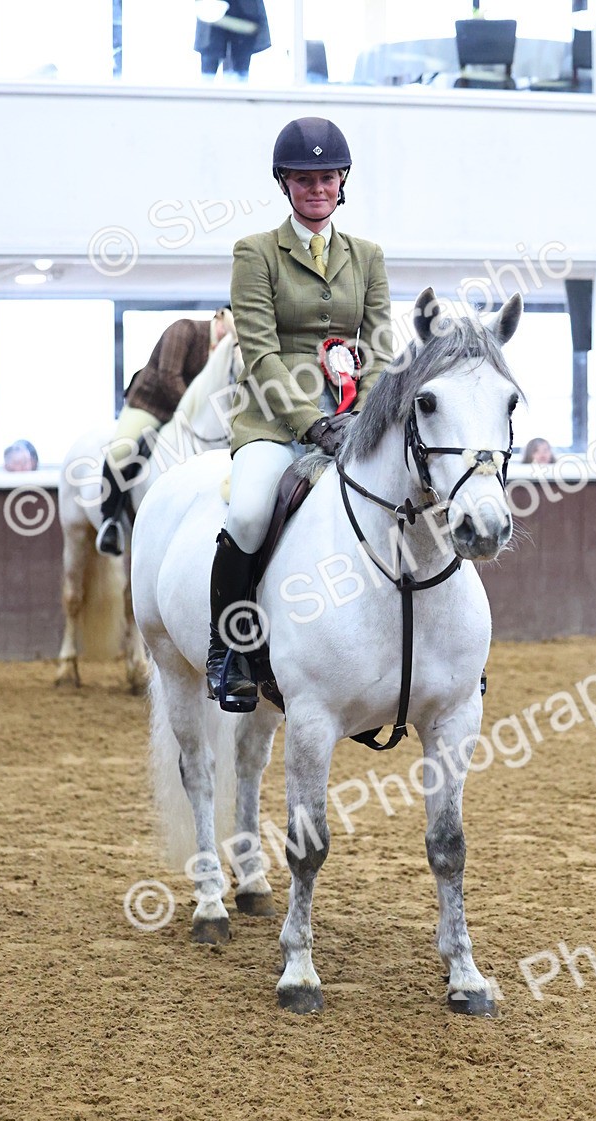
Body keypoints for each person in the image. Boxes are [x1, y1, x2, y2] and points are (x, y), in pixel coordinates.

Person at [206, 116, 393, 708]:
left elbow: (382, 347)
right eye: (304, 178)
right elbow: (258, 352)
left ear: (343, 182)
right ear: (285, 183)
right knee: (252, 512)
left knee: (415, 499)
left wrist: (360, 419)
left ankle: (439, 650)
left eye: (328, 177)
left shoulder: (368, 256)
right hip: (272, 420)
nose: (318, 188)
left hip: (353, 422)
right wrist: (311, 425)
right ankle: (230, 646)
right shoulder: (255, 253)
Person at [96, 308, 235, 556]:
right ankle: (111, 521)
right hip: (150, 405)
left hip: (187, 413)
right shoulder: (185, 330)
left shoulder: (228, 353)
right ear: (220, 316)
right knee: (121, 451)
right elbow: (168, 375)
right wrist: (191, 411)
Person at [195, 0, 270, 81]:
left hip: (244, 14)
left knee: (240, 64)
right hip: (212, 10)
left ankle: (239, 88)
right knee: (210, 61)